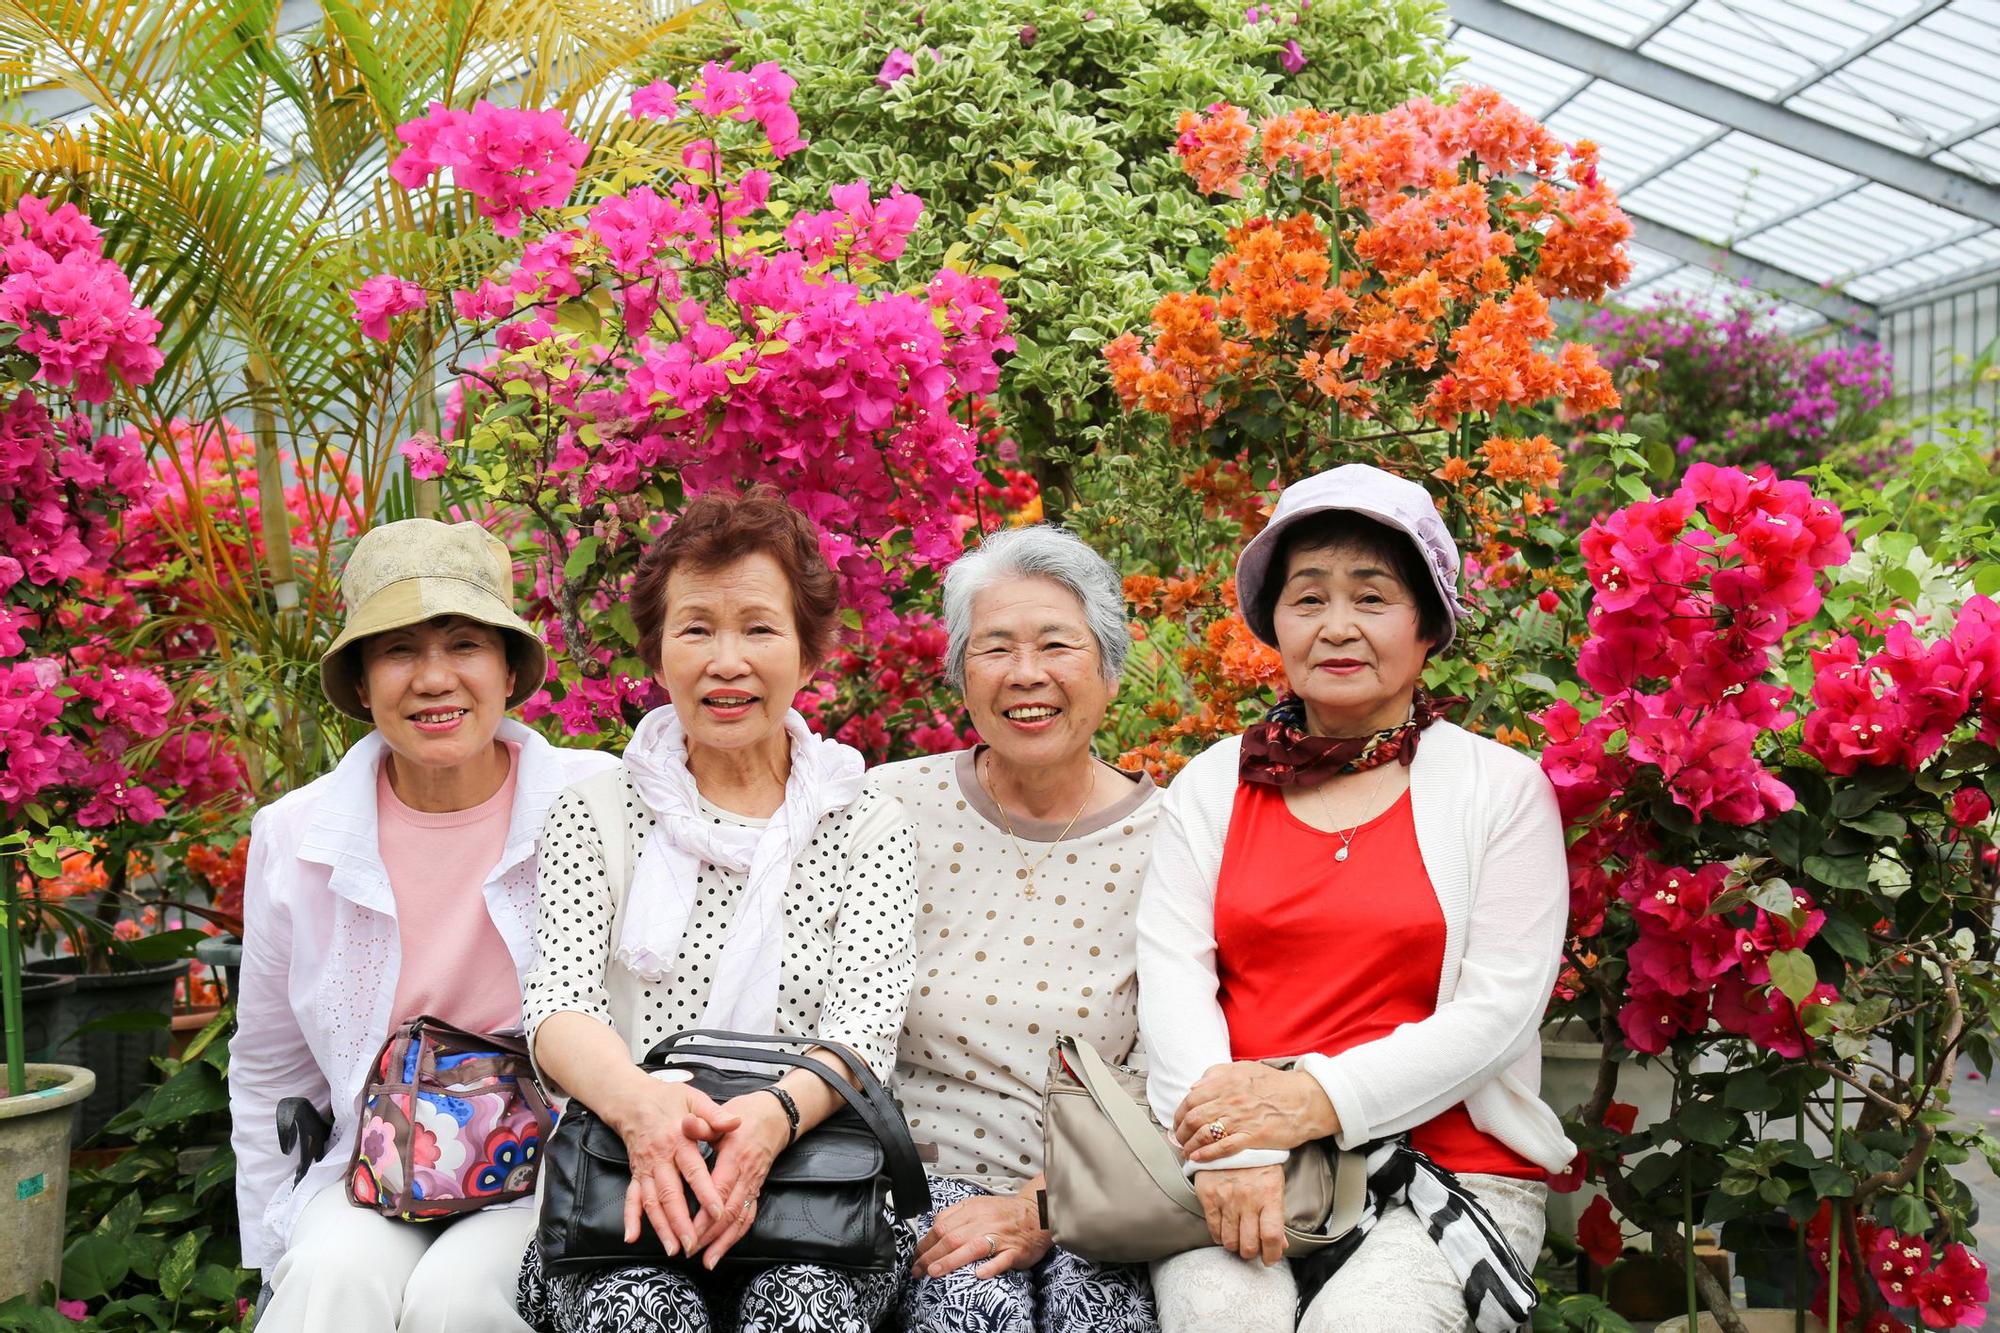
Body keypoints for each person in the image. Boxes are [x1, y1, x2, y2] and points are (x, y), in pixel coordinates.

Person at [1136, 464, 1575, 1333]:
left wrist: (1315, 1100)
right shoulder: (1213, 785)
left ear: (1427, 626)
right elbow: (1173, 978)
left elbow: (1497, 1013)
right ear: (1275, 624)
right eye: (1308, 598)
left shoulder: (1501, 790)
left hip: (1449, 1171)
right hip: (1241, 1162)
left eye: (1371, 598)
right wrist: (1242, 1146)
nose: (1338, 627)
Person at [515, 488, 919, 1333]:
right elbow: (557, 1007)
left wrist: (767, 1121)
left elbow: (866, 1026)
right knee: (636, 1312)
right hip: (624, 1185)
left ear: (808, 656)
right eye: (696, 627)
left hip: (813, 1190)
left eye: (760, 628)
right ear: (658, 655)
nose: (726, 660)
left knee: (799, 1313)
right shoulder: (596, 812)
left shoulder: (866, 820)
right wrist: (643, 1106)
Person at [232, 518, 620, 1332]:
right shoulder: (295, 835)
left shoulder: (597, 800)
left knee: (462, 1298)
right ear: (362, 683)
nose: (434, 677)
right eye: (399, 649)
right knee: (327, 1280)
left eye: (465, 645)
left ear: (510, 671)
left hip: (555, 1159)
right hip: (377, 1166)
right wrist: (269, 1246)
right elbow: (272, 1063)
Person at [871, 525, 1161, 1333]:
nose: (1026, 674)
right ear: (961, 673)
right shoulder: (889, 806)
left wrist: (1047, 1202)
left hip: (1104, 1191)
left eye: (1057, 645)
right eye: (995, 647)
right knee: (970, 1310)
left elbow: (1175, 1062)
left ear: (1108, 669)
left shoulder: (1175, 838)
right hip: (913, 1182)